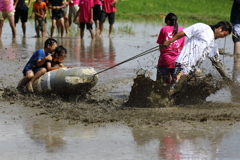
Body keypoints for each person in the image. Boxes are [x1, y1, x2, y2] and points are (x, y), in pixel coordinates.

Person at [162, 21, 232, 95]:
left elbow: (216, 62)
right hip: (184, 64)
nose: (223, 37)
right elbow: (184, 32)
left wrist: (225, 77)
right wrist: (170, 41)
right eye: (224, 34)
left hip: (195, 69)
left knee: (205, 85)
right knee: (175, 88)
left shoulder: (214, 44)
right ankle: (160, 100)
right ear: (220, 28)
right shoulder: (203, 27)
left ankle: (188, 101)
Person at [156, 13, 185, 85]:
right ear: (176, 21)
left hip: (165, 60)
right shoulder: (182, 31)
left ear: (168, 21)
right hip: (177, 62)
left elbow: (160, 45)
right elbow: (181, 47)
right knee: (175, 85)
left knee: (160, 84)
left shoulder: (164, 29)